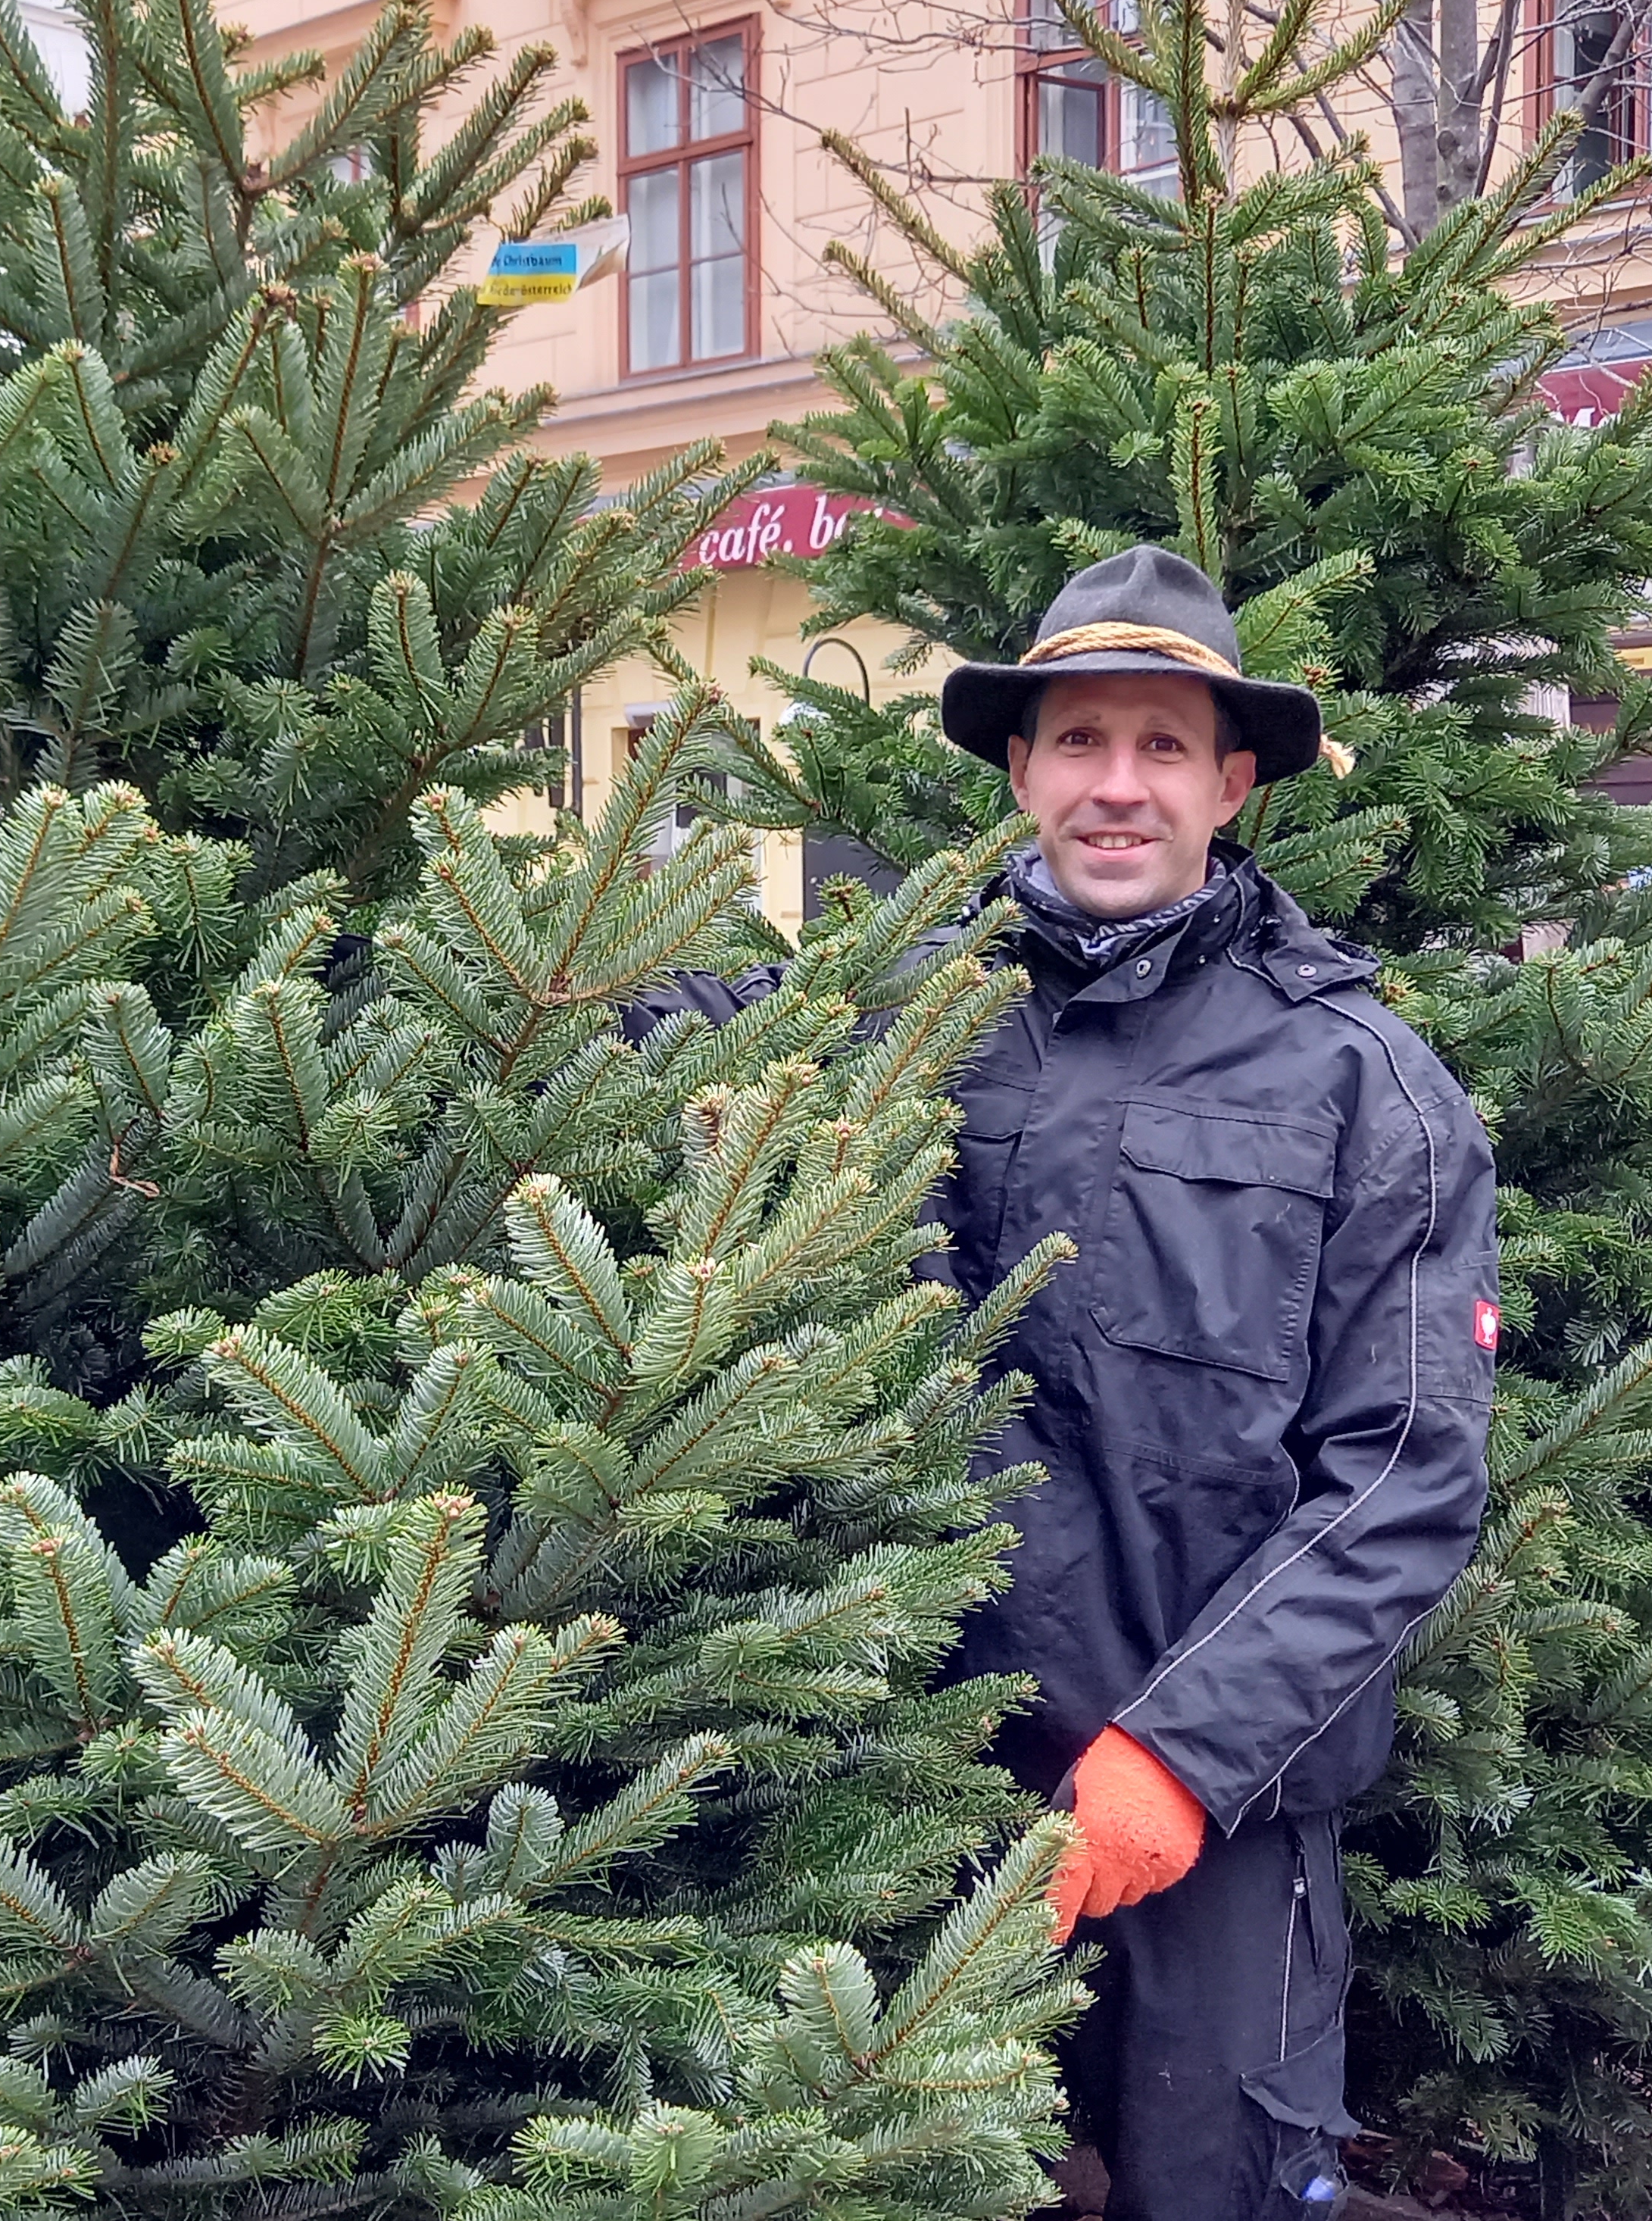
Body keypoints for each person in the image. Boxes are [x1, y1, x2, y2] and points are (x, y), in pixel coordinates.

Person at [632, 545, 1497, 2217]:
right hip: (910, 1772)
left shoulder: (1360, 1081)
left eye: (1164, 746)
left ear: (1231, 785)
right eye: (1081, 740)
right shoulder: (899, 1013)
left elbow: (1403, 1474)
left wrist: (1177, 1757)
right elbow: (655, 1030)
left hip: (1209, 1808)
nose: (1118, 785)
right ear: (1021, 769)